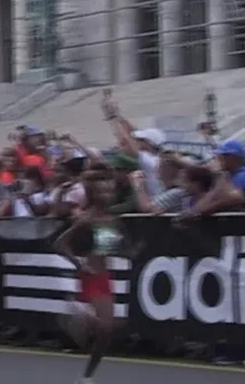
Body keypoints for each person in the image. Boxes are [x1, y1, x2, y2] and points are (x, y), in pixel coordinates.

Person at [54, 163, 141, 384]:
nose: (108, 195)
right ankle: (78, 314)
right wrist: (79, 264)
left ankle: (87, 376)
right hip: (91, 275)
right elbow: (60, 244)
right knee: (106, 326)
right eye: (103, 191)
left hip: (106, 277)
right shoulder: (86, 219)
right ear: (93, 193)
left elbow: (121, 249)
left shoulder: (113, 220)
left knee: (107, 333)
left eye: (110, 190)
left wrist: (133, 251)